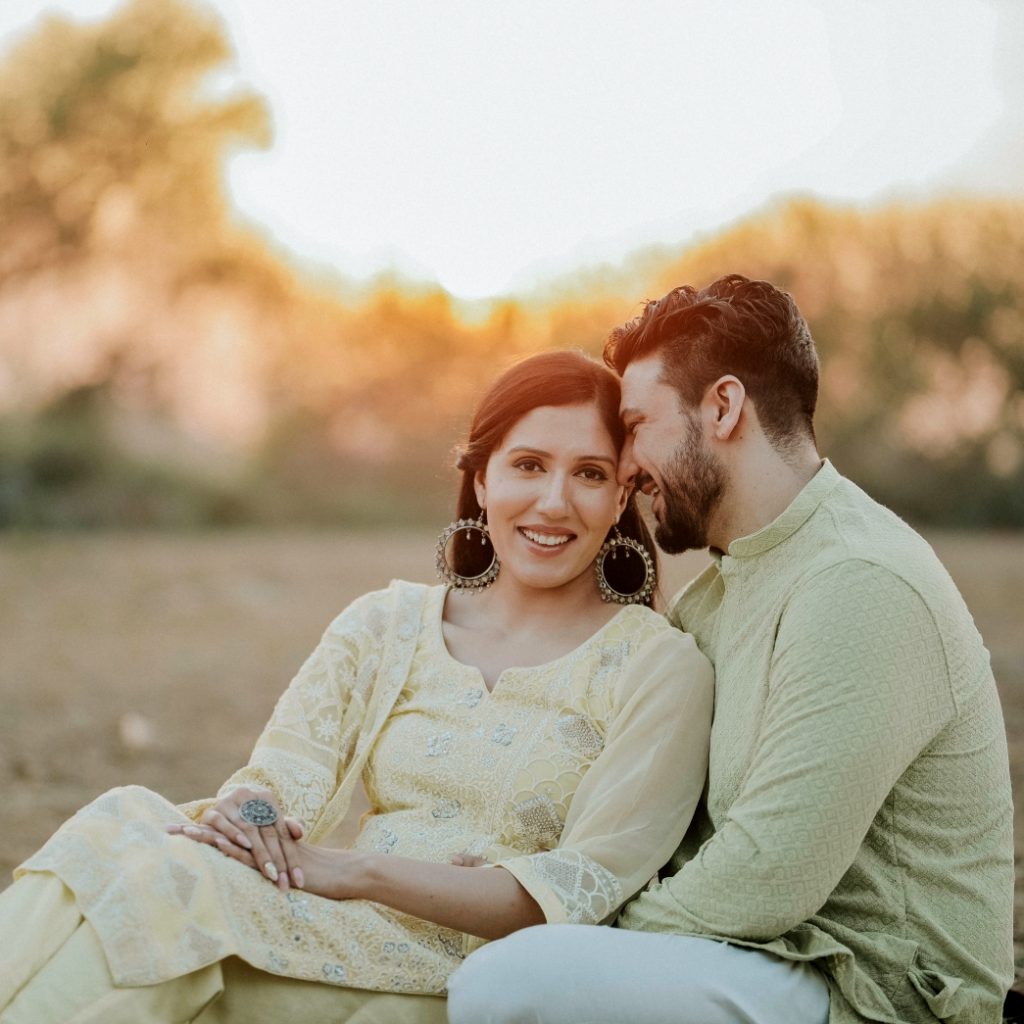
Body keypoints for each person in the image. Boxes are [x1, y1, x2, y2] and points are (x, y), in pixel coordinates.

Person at [0, 350, 714, 1024]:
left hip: (472, 967)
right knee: (128, 827)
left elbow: (579, 890)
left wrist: (359, 871)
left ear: (623, 491)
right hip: (319, 919)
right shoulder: (387, 623)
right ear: (484, 477)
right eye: (529, 464)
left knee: (149, 897)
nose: (555, 501)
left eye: (589, 473)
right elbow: (277, 786)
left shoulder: (658, 668)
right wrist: (249, 814)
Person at [447, 276, 1015, 1024]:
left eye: (639, 424)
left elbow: (768, 874)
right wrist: (526, 880)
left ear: (723, 407)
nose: (626, 466)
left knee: (513, 981)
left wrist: (577, 926)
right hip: (766, 959)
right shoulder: (716, 595)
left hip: (877, 991)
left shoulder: (858, 583)